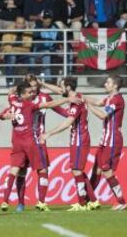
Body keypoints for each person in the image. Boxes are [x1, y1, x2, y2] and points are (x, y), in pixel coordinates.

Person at [0, 81, 77, 212]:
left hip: (17, 142)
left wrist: (4, 115)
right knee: (42, 170)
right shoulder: (29, 104)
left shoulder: (12, 100)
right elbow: (49, 104)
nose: (32, 92)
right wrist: (67, 99)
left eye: (33, 89)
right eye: (29, 91)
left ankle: (5, 201)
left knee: (14, 170)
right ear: (23, 94)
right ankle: (40, 202)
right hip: (31, 141)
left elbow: (4, 108)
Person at [40, 77, 100, 211]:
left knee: (77, 170)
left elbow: (68, 123)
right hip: (79, 138)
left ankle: (82, 203)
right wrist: (42, 84)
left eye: (62, 87)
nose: (60, 90)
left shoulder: (76, 102)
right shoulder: (78, 97)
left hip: (79, 139)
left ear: (67, 87)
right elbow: (59, 92)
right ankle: (93, 201)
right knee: (77, 170)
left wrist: (49, 133)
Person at [83, 75, 127, 211]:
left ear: (115, 85)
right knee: (96, 169)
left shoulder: (117, 100)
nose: (105, 84)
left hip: (113, 139)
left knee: (106, 170)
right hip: (105, 139)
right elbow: (98, 102)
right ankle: (87, 201)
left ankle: (122, 202)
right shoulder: (109, 98)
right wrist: (83, 97)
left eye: (108, 82)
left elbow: (102, 115)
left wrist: (87, 105)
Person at [0, 16, 33, 87]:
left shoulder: (28, 31)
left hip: (22, 54)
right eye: (18, 23)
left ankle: (30, 82)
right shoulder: (9, 30)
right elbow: (6, 47)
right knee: (12, 57)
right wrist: (18, 49)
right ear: (15, 23)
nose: (20, 25)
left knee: (31, 58)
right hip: (10, 54)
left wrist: (14, 48)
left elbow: (28, 47)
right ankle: (10, 83)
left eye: (22, 23)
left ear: (24, 24)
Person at [30, 9, 62, 82]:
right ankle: (48, 80)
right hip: (39, 51)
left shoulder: (55, 26)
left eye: (49, 17)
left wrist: (60, 45)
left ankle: (68, 77)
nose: (48, 20)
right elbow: (37, 44)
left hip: (53, 50)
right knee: (46, 53)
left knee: (67, 52)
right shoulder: (37, 27)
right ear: (42, 18)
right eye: (45, 18)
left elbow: (61, 37)